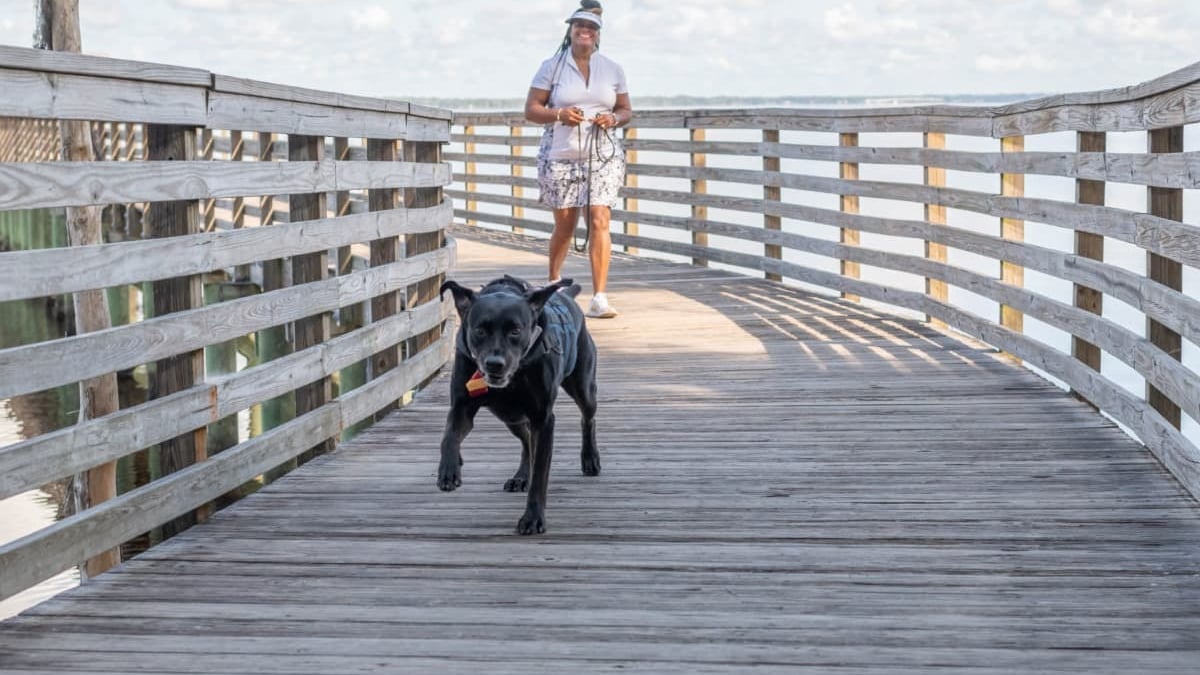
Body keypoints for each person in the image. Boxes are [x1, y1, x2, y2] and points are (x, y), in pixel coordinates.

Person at [524, 0, 633, 319]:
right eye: (579, 27)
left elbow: (626, 110)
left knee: (600, 218)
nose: (585, 32)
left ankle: (599, 296)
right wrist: (559, 114)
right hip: (560, 154)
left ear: (598, 35)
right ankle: (554, 283)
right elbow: (531, 109)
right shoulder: (552, 66)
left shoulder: (613, 68)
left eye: (592, 28)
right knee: (566, 224)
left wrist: (613, 119)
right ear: (570, 32)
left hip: (602, 156)